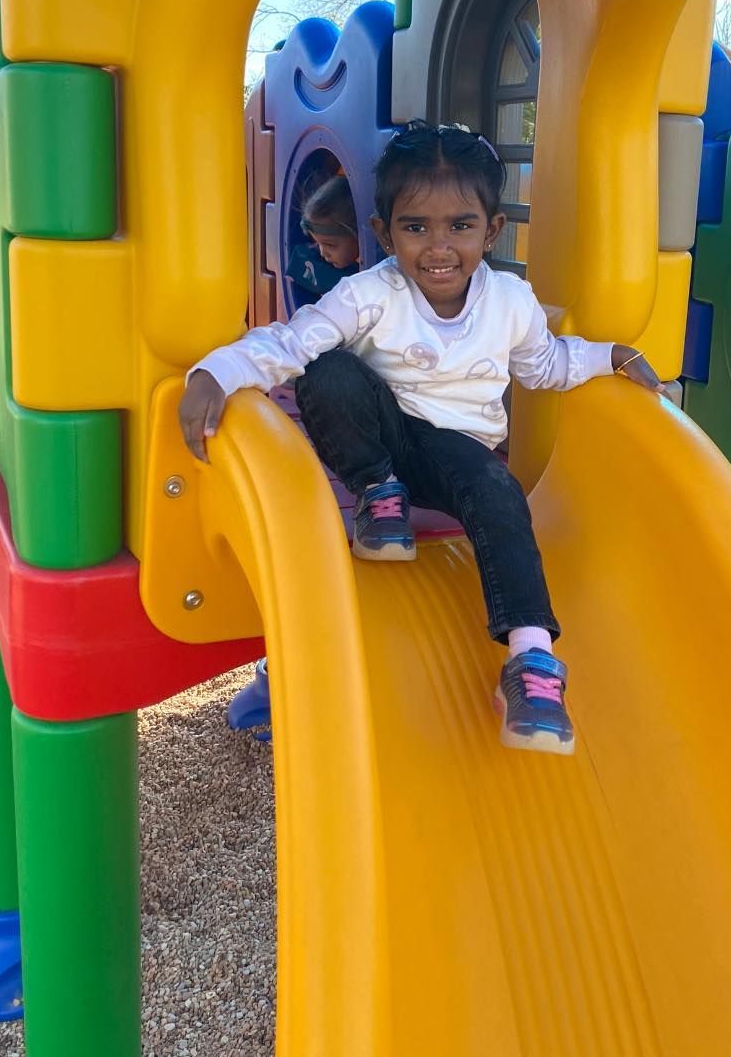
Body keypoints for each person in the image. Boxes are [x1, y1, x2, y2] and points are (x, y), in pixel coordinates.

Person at [180, 121, 665, 756]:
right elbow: (291, 342)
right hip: (376, 441)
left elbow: (545, 364)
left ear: (492, 230)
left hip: (455, 452)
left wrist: (610, 357)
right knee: (326, 370)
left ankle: (532, 660)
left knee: (499, 490)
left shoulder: (511, 302)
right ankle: (379, 500)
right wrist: (217, 372)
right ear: (384, 233)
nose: (438, 247)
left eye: (460, 226)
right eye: (416, 228)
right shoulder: (368, 294)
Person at [285, 173, 361, 297]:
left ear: (357, 235)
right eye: (318, 243)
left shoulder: (371, 277)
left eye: (330, 245)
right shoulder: (315, 263)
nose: (323, 253)